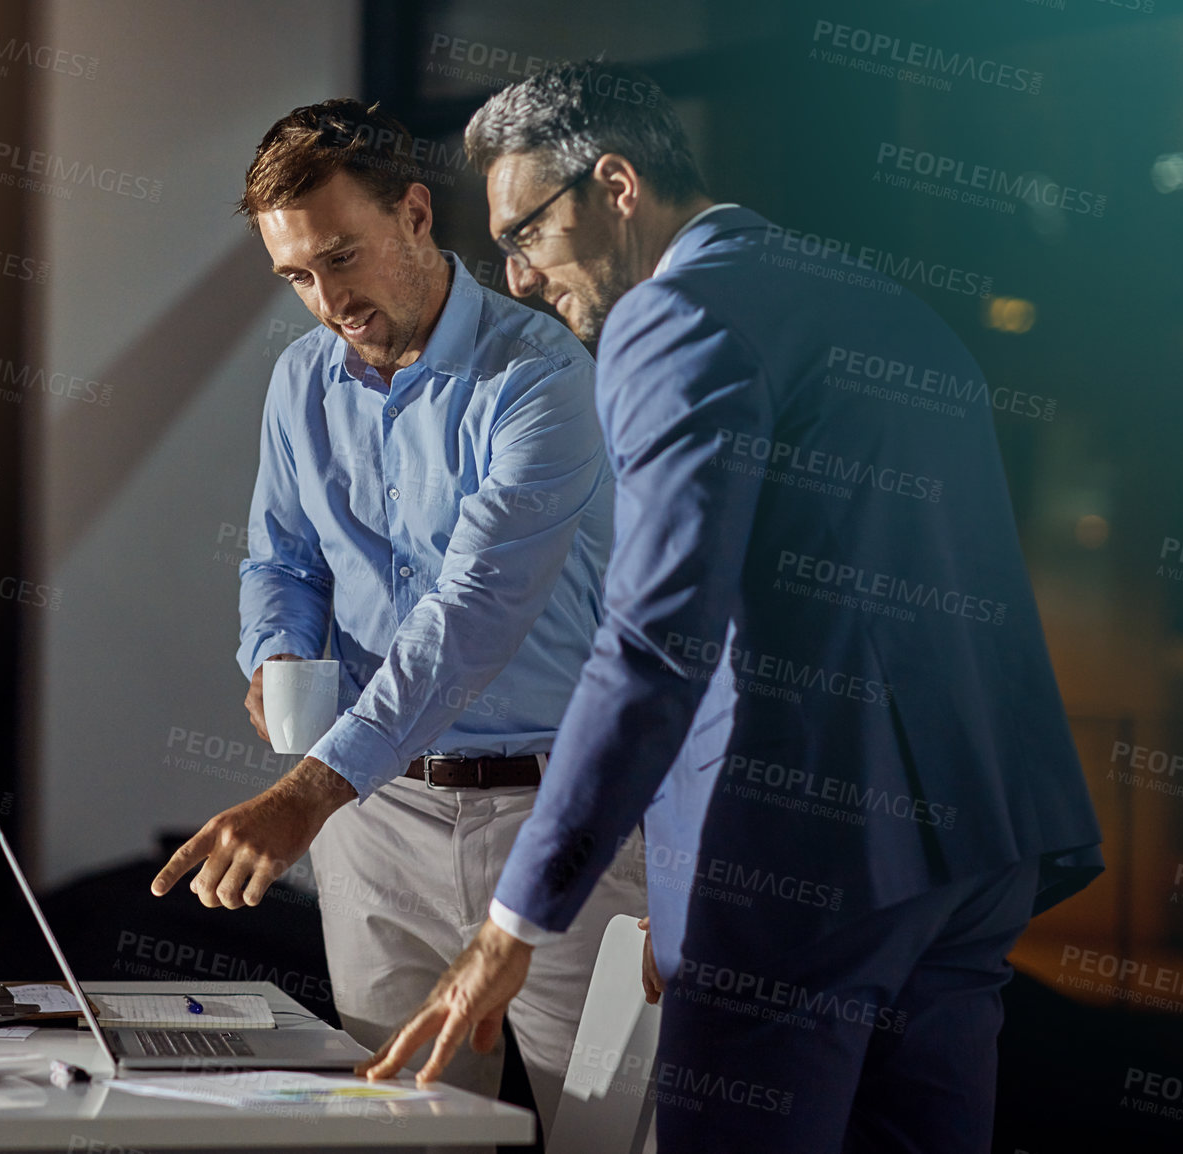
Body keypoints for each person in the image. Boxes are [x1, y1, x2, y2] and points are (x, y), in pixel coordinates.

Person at [358, 62, 1104, 1154]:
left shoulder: (674, 317)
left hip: (802, 864)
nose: (515, 279)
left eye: (523, 234)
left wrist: (514, 922)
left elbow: (657, 639)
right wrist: (679, 863)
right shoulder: (884, 305)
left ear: (614, 184)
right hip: (973, 849)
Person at [149, 98, 647, 1126]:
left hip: (555, 815)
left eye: (342, 257)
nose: (327, 297)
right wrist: (278, 645)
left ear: (415, 215)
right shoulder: (300, 380)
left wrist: (307, 789)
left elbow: (472, 614)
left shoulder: (544, 377)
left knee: (610, 1125)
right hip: (377, 825)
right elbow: (279, 557)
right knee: (397, 1130)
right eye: (297, 274)